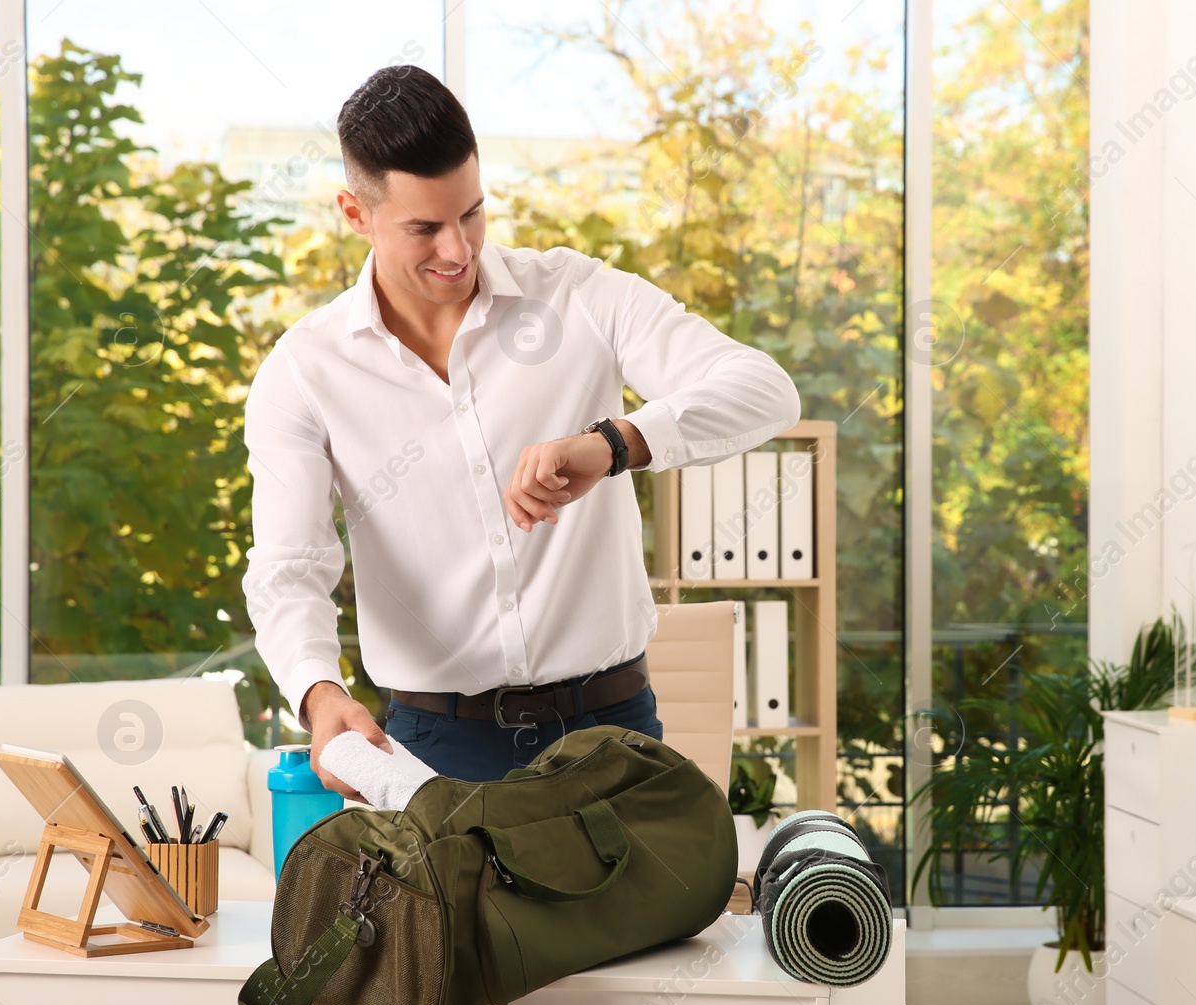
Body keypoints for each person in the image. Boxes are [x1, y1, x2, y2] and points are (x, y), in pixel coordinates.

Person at [241, 65, 802, 803]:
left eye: (472, 214)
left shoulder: (576, 295)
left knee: (644, 926)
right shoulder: (305, 371)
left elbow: (766, 390)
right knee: (454, 927)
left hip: (610, 736)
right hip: (433, 749)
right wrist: (319, 694)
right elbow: (289, 566)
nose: (458, 249)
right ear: (355, 213)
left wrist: (614, 443)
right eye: (424, 227)